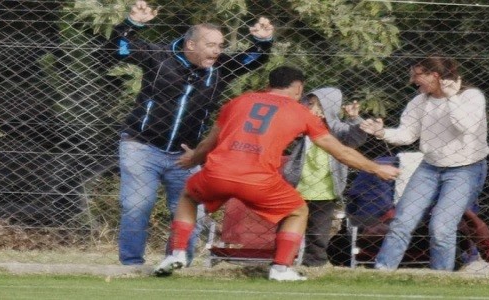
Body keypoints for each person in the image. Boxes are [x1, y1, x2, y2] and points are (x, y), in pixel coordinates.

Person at [152, 66, 400, 281]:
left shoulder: (236, 102)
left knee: (188, 196)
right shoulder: (301, 113)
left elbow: (209, 143)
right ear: (299, 88)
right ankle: (281, 267)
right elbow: (340, 152)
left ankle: (177, 254)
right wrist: (376, 168)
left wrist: (192, 159)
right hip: (258, 180)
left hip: (218, 173)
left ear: (268, 85)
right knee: (297, 210)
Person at [109, 0, 275, 266]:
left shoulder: (220, 69)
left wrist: (262, 42)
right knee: (136, 206)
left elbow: (253, 59)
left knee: (191, 212)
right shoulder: (158, 57)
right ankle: (131, 266)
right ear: (191, 45)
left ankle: (177, 263)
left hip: (187, 155)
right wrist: (132, 24)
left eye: (221, 46)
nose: (218, 51)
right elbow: (120, 49)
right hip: (141, 147)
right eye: (211, 45)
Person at [360, 56, 489, 271]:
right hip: (429, 167)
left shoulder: (471, 97)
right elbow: (407, 134)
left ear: (435, 75)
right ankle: (382, 272)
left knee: (441, 227)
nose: (413, 80)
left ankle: (440, 278)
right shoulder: (420, 101)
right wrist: (381, 133)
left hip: (465, 169)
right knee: (402, 221)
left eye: (417, 75)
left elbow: (466, 127)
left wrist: (451, 98)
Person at [282, 87, 367, 267]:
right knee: (288, 227)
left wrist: (354, 119)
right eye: (309, 103)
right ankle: (283, 260)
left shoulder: (338, 129)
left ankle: (314, 263)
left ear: (328, 108)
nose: (310, 107)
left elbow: (356, 138)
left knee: (318, 232)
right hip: (298, 187)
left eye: (316, 104)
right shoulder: (304, 125)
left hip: (325, 190)